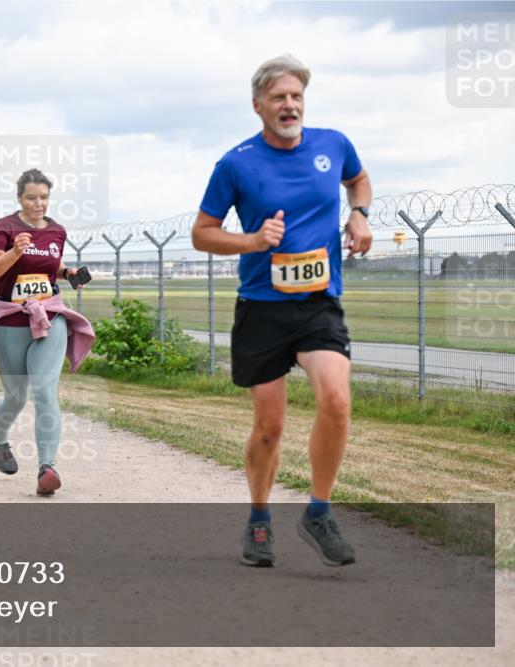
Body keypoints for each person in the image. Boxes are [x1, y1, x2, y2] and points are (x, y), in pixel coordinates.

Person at [191, 54, 372, 567]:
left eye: (296, 96)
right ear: (258, 106)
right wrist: (251, 240)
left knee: (336, 400)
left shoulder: (333, 144)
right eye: (278, 98)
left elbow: (358, 181)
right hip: (262, 308)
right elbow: (201, 232)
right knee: (270, 427)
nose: (289, 105)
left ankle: (318, 511)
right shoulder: (236, 163)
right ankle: (259, 519)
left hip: (318, 303)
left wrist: (359, 214)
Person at [0, 169, 95, 496]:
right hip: (10, 319)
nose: (38, 203)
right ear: (19, 198)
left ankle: (47, 467)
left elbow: (47, 263)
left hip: (49, 316)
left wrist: (67, 271)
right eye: (31, 198)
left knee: (44, 391)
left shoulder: (57, 230)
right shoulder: (3, 229)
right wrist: (13, 252)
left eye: (43, 197)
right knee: (16, 397)